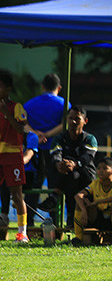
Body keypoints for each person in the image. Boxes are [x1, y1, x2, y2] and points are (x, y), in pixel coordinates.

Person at [24, 74, 69, 220]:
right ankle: (55, 222)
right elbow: (65, 125)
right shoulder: (64, 104)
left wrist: (36, 134)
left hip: (33, 149)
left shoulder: (29, 104)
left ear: (42, 86)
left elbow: (22, 123)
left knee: (33, 186)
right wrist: (48, 134)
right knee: (54, 186)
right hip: (54, 150)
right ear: (59, 88)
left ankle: (28, 221)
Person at [49, 107, 98, 217]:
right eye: (70, 118)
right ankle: (64, 217)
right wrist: (59, 165)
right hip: (66, 175)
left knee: (74, 174)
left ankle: (54, 197)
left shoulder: (90, 139)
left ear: (85, 121)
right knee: (69, 174)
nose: (73, 121)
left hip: (86, 177)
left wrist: (74, 164)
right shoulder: (60, 138)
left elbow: (87, 158)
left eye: (77, 118)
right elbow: (55, 154)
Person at [0, 70, 30, 242]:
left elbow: (21, 130)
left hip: (12, 157)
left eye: (1, 86)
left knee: (17, 196)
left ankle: (22, 233)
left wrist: (6, 113)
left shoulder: (16, 107)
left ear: (8, 88)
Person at [71, 156, 112, 246]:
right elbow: (78, 196)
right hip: (98, 217)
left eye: (105, 168)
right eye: (98, 168)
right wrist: (84, 211)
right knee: (79, 204)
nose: (100, 171)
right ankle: (78, 238)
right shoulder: (95, 183)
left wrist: (98, 202)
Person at [0, 130, 37, 238]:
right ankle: (4, 216)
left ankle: (21, 232)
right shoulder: (5, 135)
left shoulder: (31, 137)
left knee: (15, 193)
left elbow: (28, 155)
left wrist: (14, 162)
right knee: (5, 180)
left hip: (27, 173)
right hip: (8, 169)